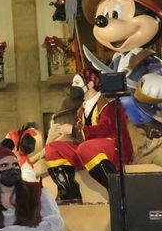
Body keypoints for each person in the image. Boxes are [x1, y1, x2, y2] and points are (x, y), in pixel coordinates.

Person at [44, 73, 131, 204]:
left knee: (86, 148)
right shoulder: (81, 110)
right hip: (86, 150)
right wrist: (65, 134)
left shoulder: (110, 104)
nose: (73, 87)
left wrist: (73, 130)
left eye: (77, 83)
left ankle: (117, 191)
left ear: (90, 84)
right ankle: (69, 194)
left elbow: (105, 129)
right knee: (53, 148)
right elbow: (78, 136)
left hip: (115, 148)